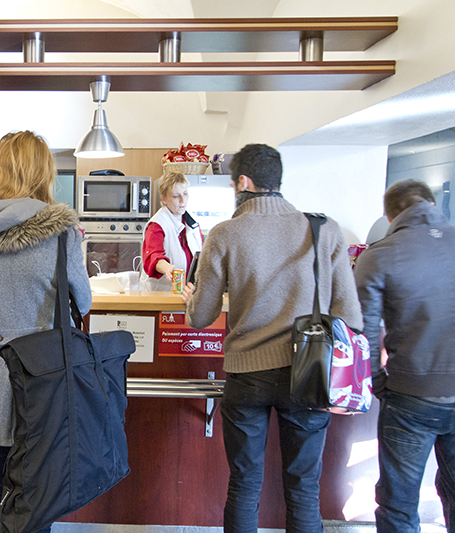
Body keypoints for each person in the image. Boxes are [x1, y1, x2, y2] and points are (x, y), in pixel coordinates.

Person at [182, 143, 362, 533]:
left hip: (247, 376)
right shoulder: (324, 229)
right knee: (303, 488)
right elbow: (350, 316)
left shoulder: (225, 234)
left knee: (245, 485)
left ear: (243, 182)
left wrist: (191, 297)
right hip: (311, 374)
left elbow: (200, 318)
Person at [0, 130, 92, 533]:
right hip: (40, 378)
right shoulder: (60, 231)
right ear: (43, 171)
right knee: (36, 492)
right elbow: (82, 302)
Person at [354, 179, 455, 533]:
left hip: (410, 391)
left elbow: (362, 332)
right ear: (431, 202)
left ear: (390, 215)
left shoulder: (379, 254)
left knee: (398, 503)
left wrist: (378, 382)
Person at [140, 171, 203, 291]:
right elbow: (154, 256)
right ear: (164, 199)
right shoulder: (156, 226)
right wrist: (167, 268)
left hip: (187, 296)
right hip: (160, 298)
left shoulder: (193, 224)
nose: (182, 200)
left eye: (185, 194)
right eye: (175, 196)